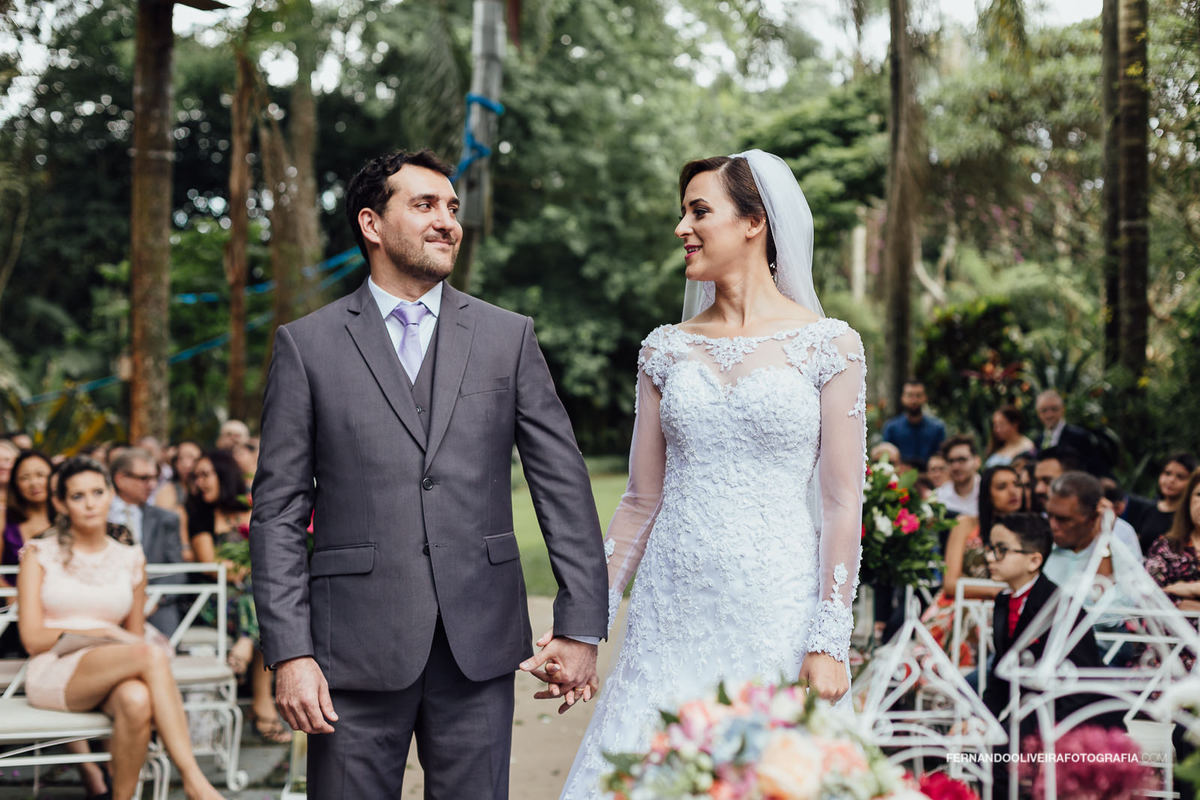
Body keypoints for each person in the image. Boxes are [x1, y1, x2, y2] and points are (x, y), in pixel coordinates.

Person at [249, 148, 608, 799]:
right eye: (424, 205)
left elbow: (562, 483)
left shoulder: (508, 338)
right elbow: (275, 515)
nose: (447, 221)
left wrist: (581, 624)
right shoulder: (308, 346)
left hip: (480, 645)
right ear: (371, 224)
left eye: (452, 208)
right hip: (349, 653)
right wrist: (291, 653)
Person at [557, 151, 865, 798]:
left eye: (700, 212)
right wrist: (587, 622)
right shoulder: (665, 349)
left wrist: (830, 639)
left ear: (755, 222)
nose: (682, 229)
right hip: (670, 612)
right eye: (683, 213)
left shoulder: (828, 345)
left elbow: (840, 505)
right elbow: (640, 502)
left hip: (775, 609)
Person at [16, 457, 225, 800]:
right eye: (78, 496)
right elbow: (32, 638)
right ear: (61, 503)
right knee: (149, 654)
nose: (90, 503)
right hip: (55, 667)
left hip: (113, 667)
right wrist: (106, 633)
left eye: (97, 492)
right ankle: (194, 780)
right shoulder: (39, 554)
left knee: (137, 698)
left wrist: (116, 640)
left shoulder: (130, 556)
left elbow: (135, 633)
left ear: (111, 494)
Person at [981, 512, 1106, 797]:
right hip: (1031, 709)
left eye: (1001, 550)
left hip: (1070, 713)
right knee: (982, 746)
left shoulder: (1060, 606)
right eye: (990, 548)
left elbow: (1082, 681)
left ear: (1034, 560)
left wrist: (1040, 731)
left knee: (1000, 755)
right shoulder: (1003, 601)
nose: (990, 557)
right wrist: (983, 718)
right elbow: (1000, 673)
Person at [187, 450, 286, 743]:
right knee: (262, 600)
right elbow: (211, 564)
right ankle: (262, 703)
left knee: (259, 597)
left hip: (249, 595)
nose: (199, 482)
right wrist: (246, 568)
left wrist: (248, 569)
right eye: (196, 476)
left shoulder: (251, 508)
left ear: (224, 474)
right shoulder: (201, 515)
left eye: (205, 474)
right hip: (214, 599)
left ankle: (246, 644)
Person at [920, 465, 1023, 665]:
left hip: (1005, 607)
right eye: (1002, 487)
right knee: (966, 619)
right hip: (959, 602)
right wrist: (998, 591)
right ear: (987, 494)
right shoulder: (966, 524)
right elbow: (950, 583)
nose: (1013, 491)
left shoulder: (1029, 529)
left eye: (1017, 484)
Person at [108, 448, 185, 636]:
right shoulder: (97, 514)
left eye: (154, 478)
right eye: (143, 478)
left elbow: (178, 571)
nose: (151, 485)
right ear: (120, 479)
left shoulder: (166, 519)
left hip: (154, 603)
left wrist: (152, 599)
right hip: (106, 599)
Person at [1043, 471, 1143, 590]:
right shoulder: (1040, 540)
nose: (1052, 525)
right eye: (1049, 515)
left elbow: (1109, 603)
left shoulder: (1121, 538)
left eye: (1063, 519)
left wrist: (1103, 540)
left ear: (1093, 517)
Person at [1144, 468, 1200, 610]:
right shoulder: (1166, 547)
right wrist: (1180, 605)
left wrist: (1191, 589)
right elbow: (1148, 595)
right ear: (1188, 500)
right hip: (1170, 629)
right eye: (1199, 494)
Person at [1127, 453, 1198, 554]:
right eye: (1167, 473)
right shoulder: (1148, 509)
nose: (1171, 480)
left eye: (1180, 477)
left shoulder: (1189, 517)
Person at [1, 450, 54, 580]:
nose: (34, 483)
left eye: (40, 475)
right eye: (25, 477)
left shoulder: (69, 516)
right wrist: (12, 597)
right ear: (15, 484)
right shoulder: (4, 518)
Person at [881, 380, 945, 470]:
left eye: (918, 395)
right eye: (910, 395)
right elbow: (886, 459)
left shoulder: (937, 428)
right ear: (903, 398)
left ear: (925, 398)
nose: (914, 400)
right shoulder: (891, 428)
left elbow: (940, 458)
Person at [935, 435, 981, 517]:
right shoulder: (938, 497)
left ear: (977, 461)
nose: (956, 467)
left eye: (962, 459)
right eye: (951, 461)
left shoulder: (990, 491)